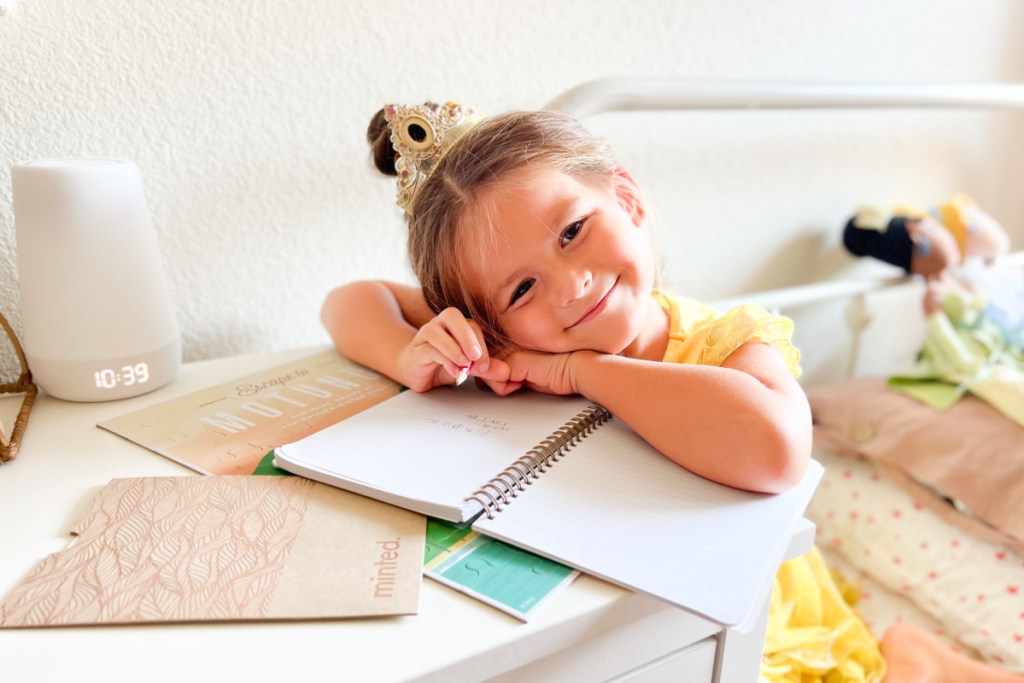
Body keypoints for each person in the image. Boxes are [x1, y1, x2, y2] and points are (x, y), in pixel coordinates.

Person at [321, 100, 1022, 683]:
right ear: (489, 319)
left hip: (740, 621)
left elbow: (776, 449)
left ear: (626, 199)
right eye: (522, 288)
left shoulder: (726, 339)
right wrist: (408, 354)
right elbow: (349, 301)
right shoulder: (512, 343)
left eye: (572, 230)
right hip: (594, 601)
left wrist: (580, 373)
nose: (569, 285)